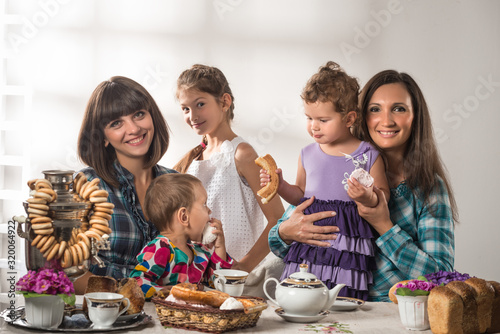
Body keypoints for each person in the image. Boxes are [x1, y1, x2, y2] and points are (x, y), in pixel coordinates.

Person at [268, 69, 456, 302]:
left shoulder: (427, 188)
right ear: (358, 116)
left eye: (399, 108)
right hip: (323, 303)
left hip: (387, 311)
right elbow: (279, 241)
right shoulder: (332, 160)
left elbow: (441, 277)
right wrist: (287, 232)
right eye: (375, 109)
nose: (386, 120)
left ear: (415, 116)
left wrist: (384, 226)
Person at [261, 61, 389, 300]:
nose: (313, 127)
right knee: (303, 297)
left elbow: (383, 195)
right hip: (309, 241)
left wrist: (366, 197)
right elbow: (300, 195)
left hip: (348, 245)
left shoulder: (367, 154)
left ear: (349, 118)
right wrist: (280, 186)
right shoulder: (307, 153)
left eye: (323, 119)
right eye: (309, 118)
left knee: (344, 300)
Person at [173, 64, 285, 293]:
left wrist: (243, 267)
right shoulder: (193, 160)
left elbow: (277, 218)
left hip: (238, 281)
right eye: (185, 108)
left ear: (224, 102)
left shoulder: (241, 154)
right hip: (201, 279)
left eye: (200, 104)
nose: (192, 116)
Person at [74, 76, 176, 293]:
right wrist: (131, 294)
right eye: (116, 123)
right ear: (103, 137)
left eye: (139, 114)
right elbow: (70, 273)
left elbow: (196, 258)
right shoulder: (87, 186)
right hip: (107, 318)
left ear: (152, 116)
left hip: (168, 317)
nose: (133, 129)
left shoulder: (176, 183)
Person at [130, 173, 233, 298]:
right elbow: (136, 283)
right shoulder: (160, 248)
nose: (209, 211)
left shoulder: (200, 252)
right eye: (204, 204)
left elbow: (218, 285)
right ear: (184, 216)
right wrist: (166, 291)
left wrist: (219, 248)